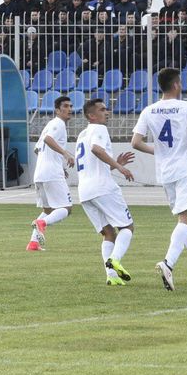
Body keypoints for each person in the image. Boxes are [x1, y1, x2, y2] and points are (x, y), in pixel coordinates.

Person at [131, 68, 187, 291]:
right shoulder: (186, 107)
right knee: (185, 218)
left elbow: (135, 142)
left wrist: (159, 152)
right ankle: (168, 263)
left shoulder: (149, 110)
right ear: (176, 85)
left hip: (166, 172)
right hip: (185, 169)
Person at [76, 98, 136, 286]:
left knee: (108, 233)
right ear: (91, 116)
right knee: (127, 227)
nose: (107, 112)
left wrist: (115, 164)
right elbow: (97, 149)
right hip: (103, 188)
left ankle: (111, 276)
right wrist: (119, 167)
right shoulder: (99, 129)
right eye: (102, 110)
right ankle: (115, 260)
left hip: (85, 191)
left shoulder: (82, 135)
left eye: (106, 109)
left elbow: (93, 165)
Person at [27, 97, 75, 251]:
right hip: (51, 173)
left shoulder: (49, 125)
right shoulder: (58, 124)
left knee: (48, 210)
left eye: (71, 106)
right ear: (57, 110)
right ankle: (42, 223)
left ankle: (33, 243)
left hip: (40, 173)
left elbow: (37, 149)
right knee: (66, 208)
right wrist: (65, 154)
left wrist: (57, 164)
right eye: (65, 106)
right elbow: (48, 139)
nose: (69, 109)